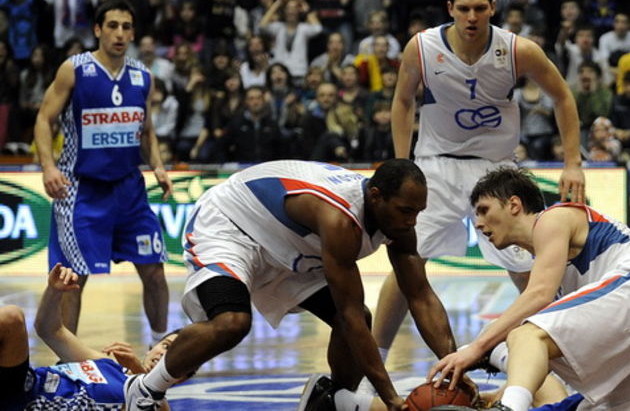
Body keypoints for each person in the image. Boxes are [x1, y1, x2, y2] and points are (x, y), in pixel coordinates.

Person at [370, 0, 586, 386]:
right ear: (450, 7)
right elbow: (402, 101)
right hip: (436, 165)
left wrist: (572, 162)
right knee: (406, 265)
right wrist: (403, 163)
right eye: (464, 9)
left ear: (492, 8)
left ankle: (564, 365)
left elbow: (562, 97)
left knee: (529, 271)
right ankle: (373, 364)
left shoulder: (518, 50)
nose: (472, 17)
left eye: (480, 9)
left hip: (495, 170)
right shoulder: (421, 47)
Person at [125, 159, 460, 411]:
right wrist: (390, 398)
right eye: (405, 210)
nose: (411, 221)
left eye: (418, 212)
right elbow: (348, 315)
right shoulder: (339, 219)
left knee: (360, 315)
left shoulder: (399, 222)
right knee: (232, 322)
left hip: (290, 244)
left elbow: (421, 296)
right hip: (233, 225)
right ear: (375, 196)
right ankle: (144, 390)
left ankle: (335, 400)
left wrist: (454, 363)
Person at [428, 167, 630, 410]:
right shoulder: (551, 266)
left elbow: (538, 295)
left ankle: (508, 409)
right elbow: (539, 361)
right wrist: (499, 377)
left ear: (513, 204)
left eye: (484, 210)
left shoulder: (552, 218)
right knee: (624, 402)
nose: (477, 223)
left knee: (524, 335)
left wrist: (475, 348)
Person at [33, 0, 173, 345]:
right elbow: (43, 119)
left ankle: (161, 346)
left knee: (155, 269)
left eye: (126, 27)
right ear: (98, 30)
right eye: (112, 26)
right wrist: (48, 166)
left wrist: (157, 165)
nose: (120, 34)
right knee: (73, 278)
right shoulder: (75, 69)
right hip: (82, 190)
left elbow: (148, 131)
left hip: (129, 190)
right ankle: (71, 365)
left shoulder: (143, 76)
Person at [0, 264, 187, 410]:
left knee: (11, 316)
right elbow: (50, 330)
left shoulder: (154, 404)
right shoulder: (108, 364)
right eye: (165, 345)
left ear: (179, 377)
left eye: (173, 355)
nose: (163, 354)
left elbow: (150, 399)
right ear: (152, 346)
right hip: (23, 384)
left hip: (23, 405)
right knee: (12, 320)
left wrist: (139, 377)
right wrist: (54, 291)